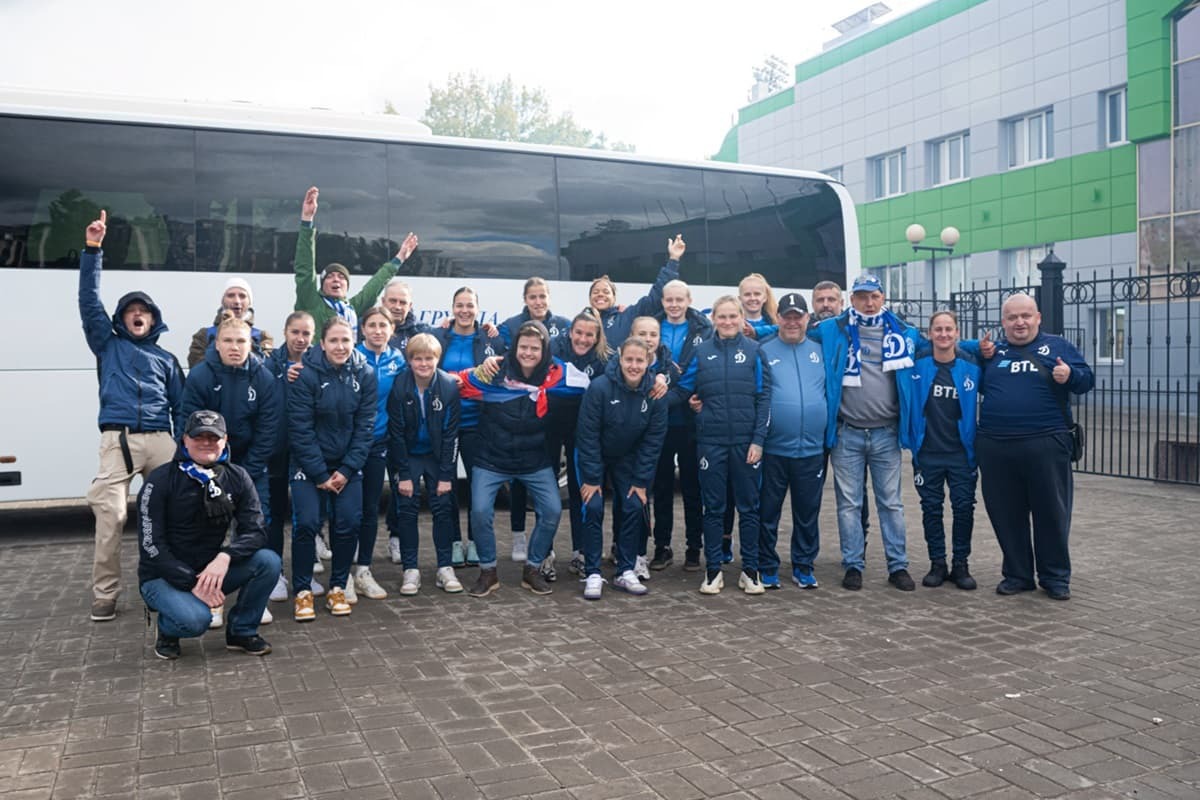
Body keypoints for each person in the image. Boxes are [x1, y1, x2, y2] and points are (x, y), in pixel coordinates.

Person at [78, 210, 185, 623]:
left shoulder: (167, 358)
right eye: (130, 311)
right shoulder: (107, 345)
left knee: (176, 513)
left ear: (154, 320)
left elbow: (180, 406)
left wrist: (182, 449)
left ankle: (171, 581)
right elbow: (89, 301)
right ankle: (105, 595)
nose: (138, 315)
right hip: (118, 440)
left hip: (161, 440)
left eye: (145, 311)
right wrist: (93, 250)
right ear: (122, 320)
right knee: (112, 515)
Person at [808, 274, 922, 592]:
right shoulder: (834, 329)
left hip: (886, 433)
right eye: (861, 297)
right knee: (848, 504)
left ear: (883, 297)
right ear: (852, 300)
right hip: (847, 432)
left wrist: (977, 348)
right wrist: (754, 330)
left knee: (891, 503)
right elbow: (792, 331)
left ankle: (897, 566)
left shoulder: (903, 332)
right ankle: (853, 565)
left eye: (873, 296)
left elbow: (942, 344)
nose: (868, 303)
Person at [976, 294, 1093, 600]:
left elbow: (1087, 380)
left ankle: (1055, 577)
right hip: (996, 446)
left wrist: (1070, 376)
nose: (1020, 323)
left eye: (1026, 316)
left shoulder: (1058, 347)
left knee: (1051, 512)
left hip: (1046, 443)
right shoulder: (992, 352)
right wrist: (981, 352)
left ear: (1038, 318)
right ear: (1003, 322)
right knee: (1005, 514)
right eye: (1013, 317)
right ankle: (1017, 574)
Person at [138, 410, 281, 660]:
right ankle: (167, 630)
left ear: (225, 440)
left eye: (213, 437)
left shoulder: (237, 476)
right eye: (199, 436)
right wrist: (191, 583)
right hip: (162, 576)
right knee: (196, 621)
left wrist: (225, 557)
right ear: (184, 439)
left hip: (209, 571)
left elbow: (256, 530)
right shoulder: (159, 481)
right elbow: (151, 546)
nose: (206, 443)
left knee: (268, 562)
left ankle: (241, 632)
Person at [456, 320, 584, 597]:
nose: (528, 353)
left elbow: (597, 385)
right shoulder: (494, 372)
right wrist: (473, 370)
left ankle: (533, 568)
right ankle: (488, 571)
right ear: (514, 348)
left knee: (551, 510)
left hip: (534, 460)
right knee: (479, 511)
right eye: (523, 347)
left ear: (545, 350)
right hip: (492, 458)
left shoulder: (559, 376)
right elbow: (455, 381)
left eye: (535, 348)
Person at [181, 317, 281, 628]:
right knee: (206, 534)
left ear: (250, 344)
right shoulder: (199, 376)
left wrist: (243, 474)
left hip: (251, 469)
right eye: (228, 341)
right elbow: (189, 425)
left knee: (255, 532)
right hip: (207, 468)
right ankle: (211, 601)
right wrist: (213, 469)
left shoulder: (263, 378)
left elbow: (269, 429)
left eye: (241, 341)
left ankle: (253, 603)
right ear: (217, 344)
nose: (235, 348)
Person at [287, 317, 377, 621]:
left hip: (346, 467)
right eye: (334, 341)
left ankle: (338, 586)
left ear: (353, 342)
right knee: (307, 524)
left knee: (349, 523)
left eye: (345, 341)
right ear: (322, 344)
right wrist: (320, 474)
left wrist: (348, 469)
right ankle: (302, 591)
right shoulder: (305, 375)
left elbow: (365, 428)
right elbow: (300, 429)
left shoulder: (365, 374)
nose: (340, 347)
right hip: (309, 465)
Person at [687, 296, 772, 596]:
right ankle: (713, 572)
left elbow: (764, 399)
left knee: (749, 508)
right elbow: (686, 388)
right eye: (721, 317)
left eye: (732, 316)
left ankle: (750, 570)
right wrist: (685, 400)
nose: (727, 321)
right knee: (714, 508)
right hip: (711, 443)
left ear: (740, 318)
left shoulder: (754, 351)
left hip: (746, 444)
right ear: (714, 319)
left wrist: (758, 441)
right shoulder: (701, 351)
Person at [574, 338, 668, 599]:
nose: (634, 365)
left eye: (640, 360)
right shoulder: (600, 387)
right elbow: (588, 434)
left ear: (648, 362)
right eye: (629, 359)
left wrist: (640, 481)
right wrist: (592, 478)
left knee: (633, 505)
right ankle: (592, 572)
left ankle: (626, 570)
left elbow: (653, 441)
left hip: (629, 457)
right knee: (592, 507)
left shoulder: (656, 394)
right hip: (596, 455)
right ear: (620, 359)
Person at [906, 311, 981, 590]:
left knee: (963, 508)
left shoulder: (972, 365)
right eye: (938, 329)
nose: (944, 334)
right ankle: (937, 563)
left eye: (949, 329)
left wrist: (977, 346)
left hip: (962, 454)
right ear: (930, 333)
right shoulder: (917, 364)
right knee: (931, 509)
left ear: (957, 333)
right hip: (927, 453)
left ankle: (961, 564)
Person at [433, 287, 507, 567]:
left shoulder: (490, 338)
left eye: (470, 306)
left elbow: (503, 372)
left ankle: (476, 543)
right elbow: (424, 366)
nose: (465, 310)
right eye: (459, 305)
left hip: (479, 424)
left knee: (479, 487)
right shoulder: (439, 335)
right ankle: (454, 543)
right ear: (452, 308)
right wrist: (451, 379)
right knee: (447, 487)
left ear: (478, 309)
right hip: (446, 425)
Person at [758, 293, 827, 589]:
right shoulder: (763, 350)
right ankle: (766, 564)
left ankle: (803, 564)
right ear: (778, 318)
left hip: (812, 449)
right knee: (768, 510)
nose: (792, 321)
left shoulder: (820, 350)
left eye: (798, 316)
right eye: (786, 316)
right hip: (773, 449)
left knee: (807, 511)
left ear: (807, 319)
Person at [387, 333, 464, 594]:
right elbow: (395, 433)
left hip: (436, 455)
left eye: (429, 358)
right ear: (409, 361)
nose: (423, 364)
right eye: (417, 358)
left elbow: (452, 435)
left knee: (443, 508)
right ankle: (411, 569)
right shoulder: (400, 386)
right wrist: (403, 473)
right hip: (409, 454)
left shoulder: (449, 386)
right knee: (407, 509)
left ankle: (445, 567)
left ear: (437, 359)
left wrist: (446, 475)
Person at [502, 277, 571, 555]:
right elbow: (501, 358)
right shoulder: (510, 325)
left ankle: (546, 541)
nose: (538, 301)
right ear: (525, 299)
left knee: (548, 478)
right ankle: (519, 536)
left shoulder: (564, 324)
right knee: (518, 478)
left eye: (543, 296)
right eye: (533, 296)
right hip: (520, 409)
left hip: (551, 411)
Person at [294, 186, 418, 339]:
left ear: (347, 286)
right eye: (330, 276)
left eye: (341, 277)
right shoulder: (311, 302)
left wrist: (399, 259)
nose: (336, 280)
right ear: (322, 284)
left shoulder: (352, 308)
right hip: (319, 363)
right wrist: (307, 221)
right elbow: (305, 269)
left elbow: (374, 286)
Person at [809, 280, 873, 546]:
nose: (826, 304)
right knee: (810, 491)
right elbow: (779, 330)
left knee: (856, 491)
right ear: (813, 304)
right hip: (815, 427)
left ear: (842, 302)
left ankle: (860, 542)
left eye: (831, 299)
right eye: (820, 300)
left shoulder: (858, 327)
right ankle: (807, 549)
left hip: (848, 425)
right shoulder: (810, 331)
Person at [264, 311, 323, 603]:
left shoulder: (318, 362)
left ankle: (305, 571)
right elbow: (263, 400)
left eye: (306, 334)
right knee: (273, 515)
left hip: (306, 450)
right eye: (295, 333)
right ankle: (275, 574)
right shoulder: (270, 363)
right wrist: (281, 381)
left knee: (306, 515)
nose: (300, 339)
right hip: (275, 449)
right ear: (285, 332)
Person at [652, 280, 710, 572]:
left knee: (691, 487)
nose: (674, 305)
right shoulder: (653, 326)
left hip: (689, 421)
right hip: (658, 424)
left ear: (688, 300)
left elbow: (701, 374)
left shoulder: (702, 329)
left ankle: (693, 548)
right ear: (662, 301)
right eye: (669, 300)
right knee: (661, 488)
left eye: (679, 299)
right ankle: (662, 548)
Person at [549, 309, 609, 578]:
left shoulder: (604, 360)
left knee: (578, 491)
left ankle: (580, 552)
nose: (583, 339)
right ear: (570, 331)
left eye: (589, 335)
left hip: (582, 431)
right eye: (579, 333)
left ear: (597, 338)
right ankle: (544, 554)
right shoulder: (553, 350)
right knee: (547, 493)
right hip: (550, 425)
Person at [354, 306, 406, 600]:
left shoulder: (397, 359)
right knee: (347, 510)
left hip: (379, 445)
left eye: (382, 325)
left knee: (371, 508)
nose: (377, 330)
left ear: (391, 329)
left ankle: (363, 569)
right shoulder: (352, 355)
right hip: (350, 446)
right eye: (372, 325)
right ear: (363, 329)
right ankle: (342, 571)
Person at [586, 235, 686, 346]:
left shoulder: (628, 316)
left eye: (606, 292)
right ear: (590, 298)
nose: (600, 294)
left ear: (614, 298)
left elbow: (656, 297)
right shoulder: (581, 322)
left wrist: (673, 260)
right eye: (595, 292)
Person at [187, 277, 274, 367]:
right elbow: (197, 368)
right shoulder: (204, 335)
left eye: (242, 296)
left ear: (249, 302)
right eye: (231, 295)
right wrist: (223, 330)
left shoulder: (262, 337)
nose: (237, 301)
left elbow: (265, 367)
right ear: (223, 300)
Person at [381, 278, 432, 354]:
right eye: (393, 301)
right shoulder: (365, 327)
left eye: (403, 303)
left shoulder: (421, 331)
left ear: (410, 306)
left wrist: (451, 322)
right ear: (383, 301)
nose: (397, 307)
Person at [738, 273, 779, 340]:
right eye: (747, 294)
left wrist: (756, 332)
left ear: (765, 298)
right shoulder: (734, 323)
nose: (752, 298)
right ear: (740, 299)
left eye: (757, 294)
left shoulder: (774, 323)